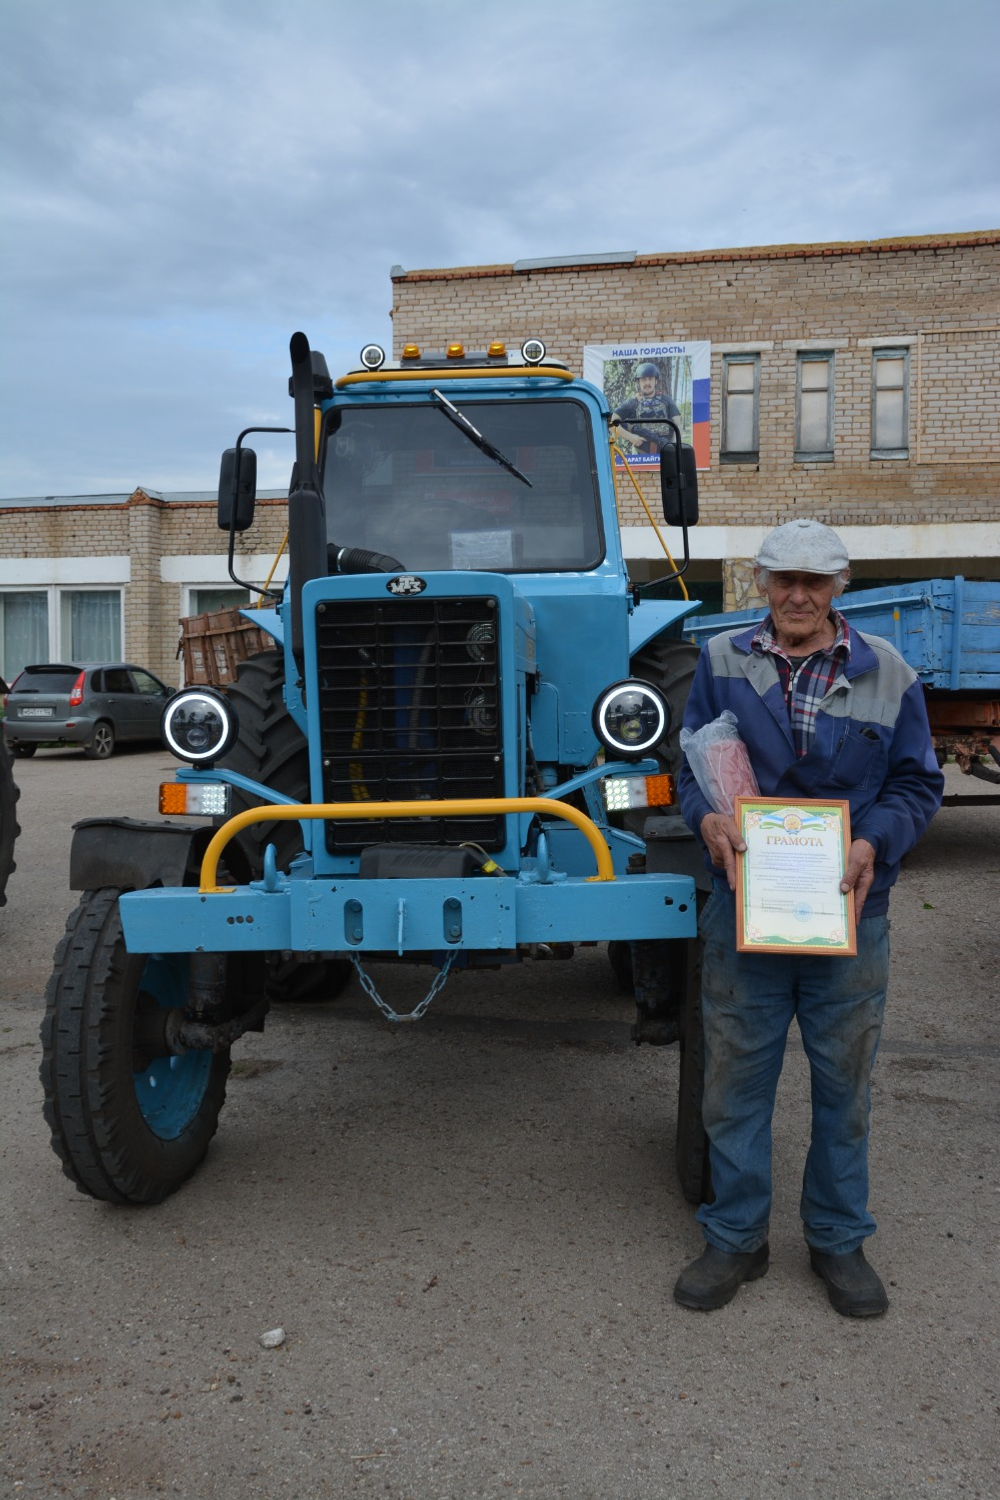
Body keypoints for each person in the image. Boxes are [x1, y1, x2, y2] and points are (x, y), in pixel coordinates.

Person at [675, 518, 944, 1317]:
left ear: (840, 585)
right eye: (782, 579)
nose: (798, 594)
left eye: (814, 581)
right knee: (734, 1084)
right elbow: (691, 766)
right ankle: (734, 1238)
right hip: (743, 911)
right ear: (759, 581)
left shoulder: (889, 673)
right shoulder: (722, 661)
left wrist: (871, 844)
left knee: (844, 1087)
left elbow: (916, 786)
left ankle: (836, 1239)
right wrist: (707, 822)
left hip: (848, 916)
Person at [612, 361, 680, 452]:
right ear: (638, 382)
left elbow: (678, 425)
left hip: (666, 452)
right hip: (640, 456)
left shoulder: (667, 401)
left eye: (650, 379)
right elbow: (612, 424)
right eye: (644, 379)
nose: (647, 383)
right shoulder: (632, 402)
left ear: (656, 381)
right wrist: (631, 437)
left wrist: (675, 449)